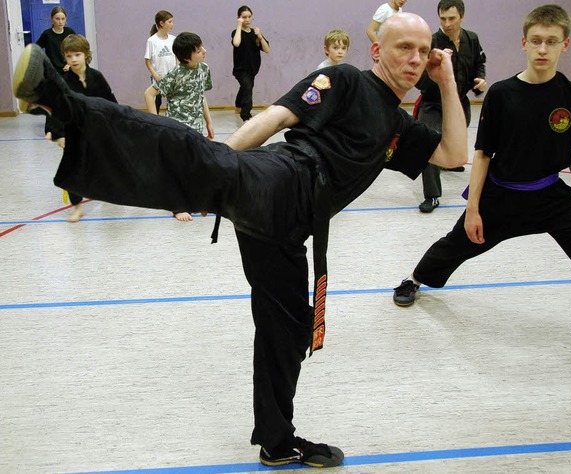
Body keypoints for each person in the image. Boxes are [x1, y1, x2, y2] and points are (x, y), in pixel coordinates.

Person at [13, 12, 467, 467]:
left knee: (287, 332)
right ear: (377, 51)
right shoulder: (346, 78)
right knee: (196, 155)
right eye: (403, 47)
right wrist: (217, 161)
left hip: (288, 229)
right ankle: (62, 100)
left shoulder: (397, 126)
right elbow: (277, 117)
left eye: (423, 51)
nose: (415, 58)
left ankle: (276, 442)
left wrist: (446, 81)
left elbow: (453, 154)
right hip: (282, 178)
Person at [392, 5, 571, 386]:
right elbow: (482, 154)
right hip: (501, 196)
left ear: (565, 45)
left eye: (551, 42)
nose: (542, 49)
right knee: (456, 243)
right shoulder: (503, 94)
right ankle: (415, 279)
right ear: (524, 43)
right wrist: (473, 209)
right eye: (536, 41)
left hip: (550, 197)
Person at [413, 0, 486, 213]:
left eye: (452, 18)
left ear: (461, 17)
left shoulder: (472, 39)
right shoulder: (431, 42)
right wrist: (434, 67)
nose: (447, 23)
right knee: (430, 143)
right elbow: (418, 81)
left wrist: (480, 81)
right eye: (443, 18)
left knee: (456, 138)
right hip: (432, 102)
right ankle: (433, 195)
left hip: (459, 101)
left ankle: (448, 162)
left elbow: (478, 65)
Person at [144, 32, 214, 222]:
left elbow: (201, 95)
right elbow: (149, 94)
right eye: (198, 51)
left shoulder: (204, 69)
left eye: (202, 48)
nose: (204, 52)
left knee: (198, 165)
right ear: (185, 57)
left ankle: (199, 201)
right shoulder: (174, 74)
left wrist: (208, 121)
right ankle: (178, 206)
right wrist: (156, 123)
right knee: (178, 168)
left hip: (197, 129)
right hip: (177, 129)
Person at [52, 34, 118, 222]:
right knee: (73, 168)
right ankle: (77, 206)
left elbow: (111, 102)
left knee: (104, 163)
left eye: (77, 55)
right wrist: (59, 134)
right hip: (74, 131)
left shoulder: (96, 77)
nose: (73, 59)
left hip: (97, 130)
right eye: (69, 56)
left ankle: (108, 190)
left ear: (86, 55)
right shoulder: (63, 81)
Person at [35, 6, 76, 141]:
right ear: (51, 19)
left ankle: (68, 128)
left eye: (62, 19)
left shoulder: (70, 33)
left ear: (66, 20)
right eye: (57, 19)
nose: (60, 22)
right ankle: (50, 131)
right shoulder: (47, 34)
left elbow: (77, 50)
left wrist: (70, 64)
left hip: (68, 71)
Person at [232, 5, 270, 122]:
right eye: (244, 17)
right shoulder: (236, 32)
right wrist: (239, 26)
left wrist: (260, 36)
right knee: (248, 87)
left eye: (249, 17)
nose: (247, 20)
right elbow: (236, 43)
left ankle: (238, 105)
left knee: (246, 87)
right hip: (240, 69)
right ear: (239, 18)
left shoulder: (255, 33)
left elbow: (267, 49)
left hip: (253, 68)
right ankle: (246, 116)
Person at [144, 10, 176, 114]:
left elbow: (177, 58)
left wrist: (177, 72)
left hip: (172, 76)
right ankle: (155, 120)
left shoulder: (173, 39)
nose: (172, 24)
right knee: (156, 101)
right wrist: (155, 75)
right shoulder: (152, 41)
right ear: (162, 23)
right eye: (170, 22)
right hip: (158, 77)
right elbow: (148, 61)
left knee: (173, 101)